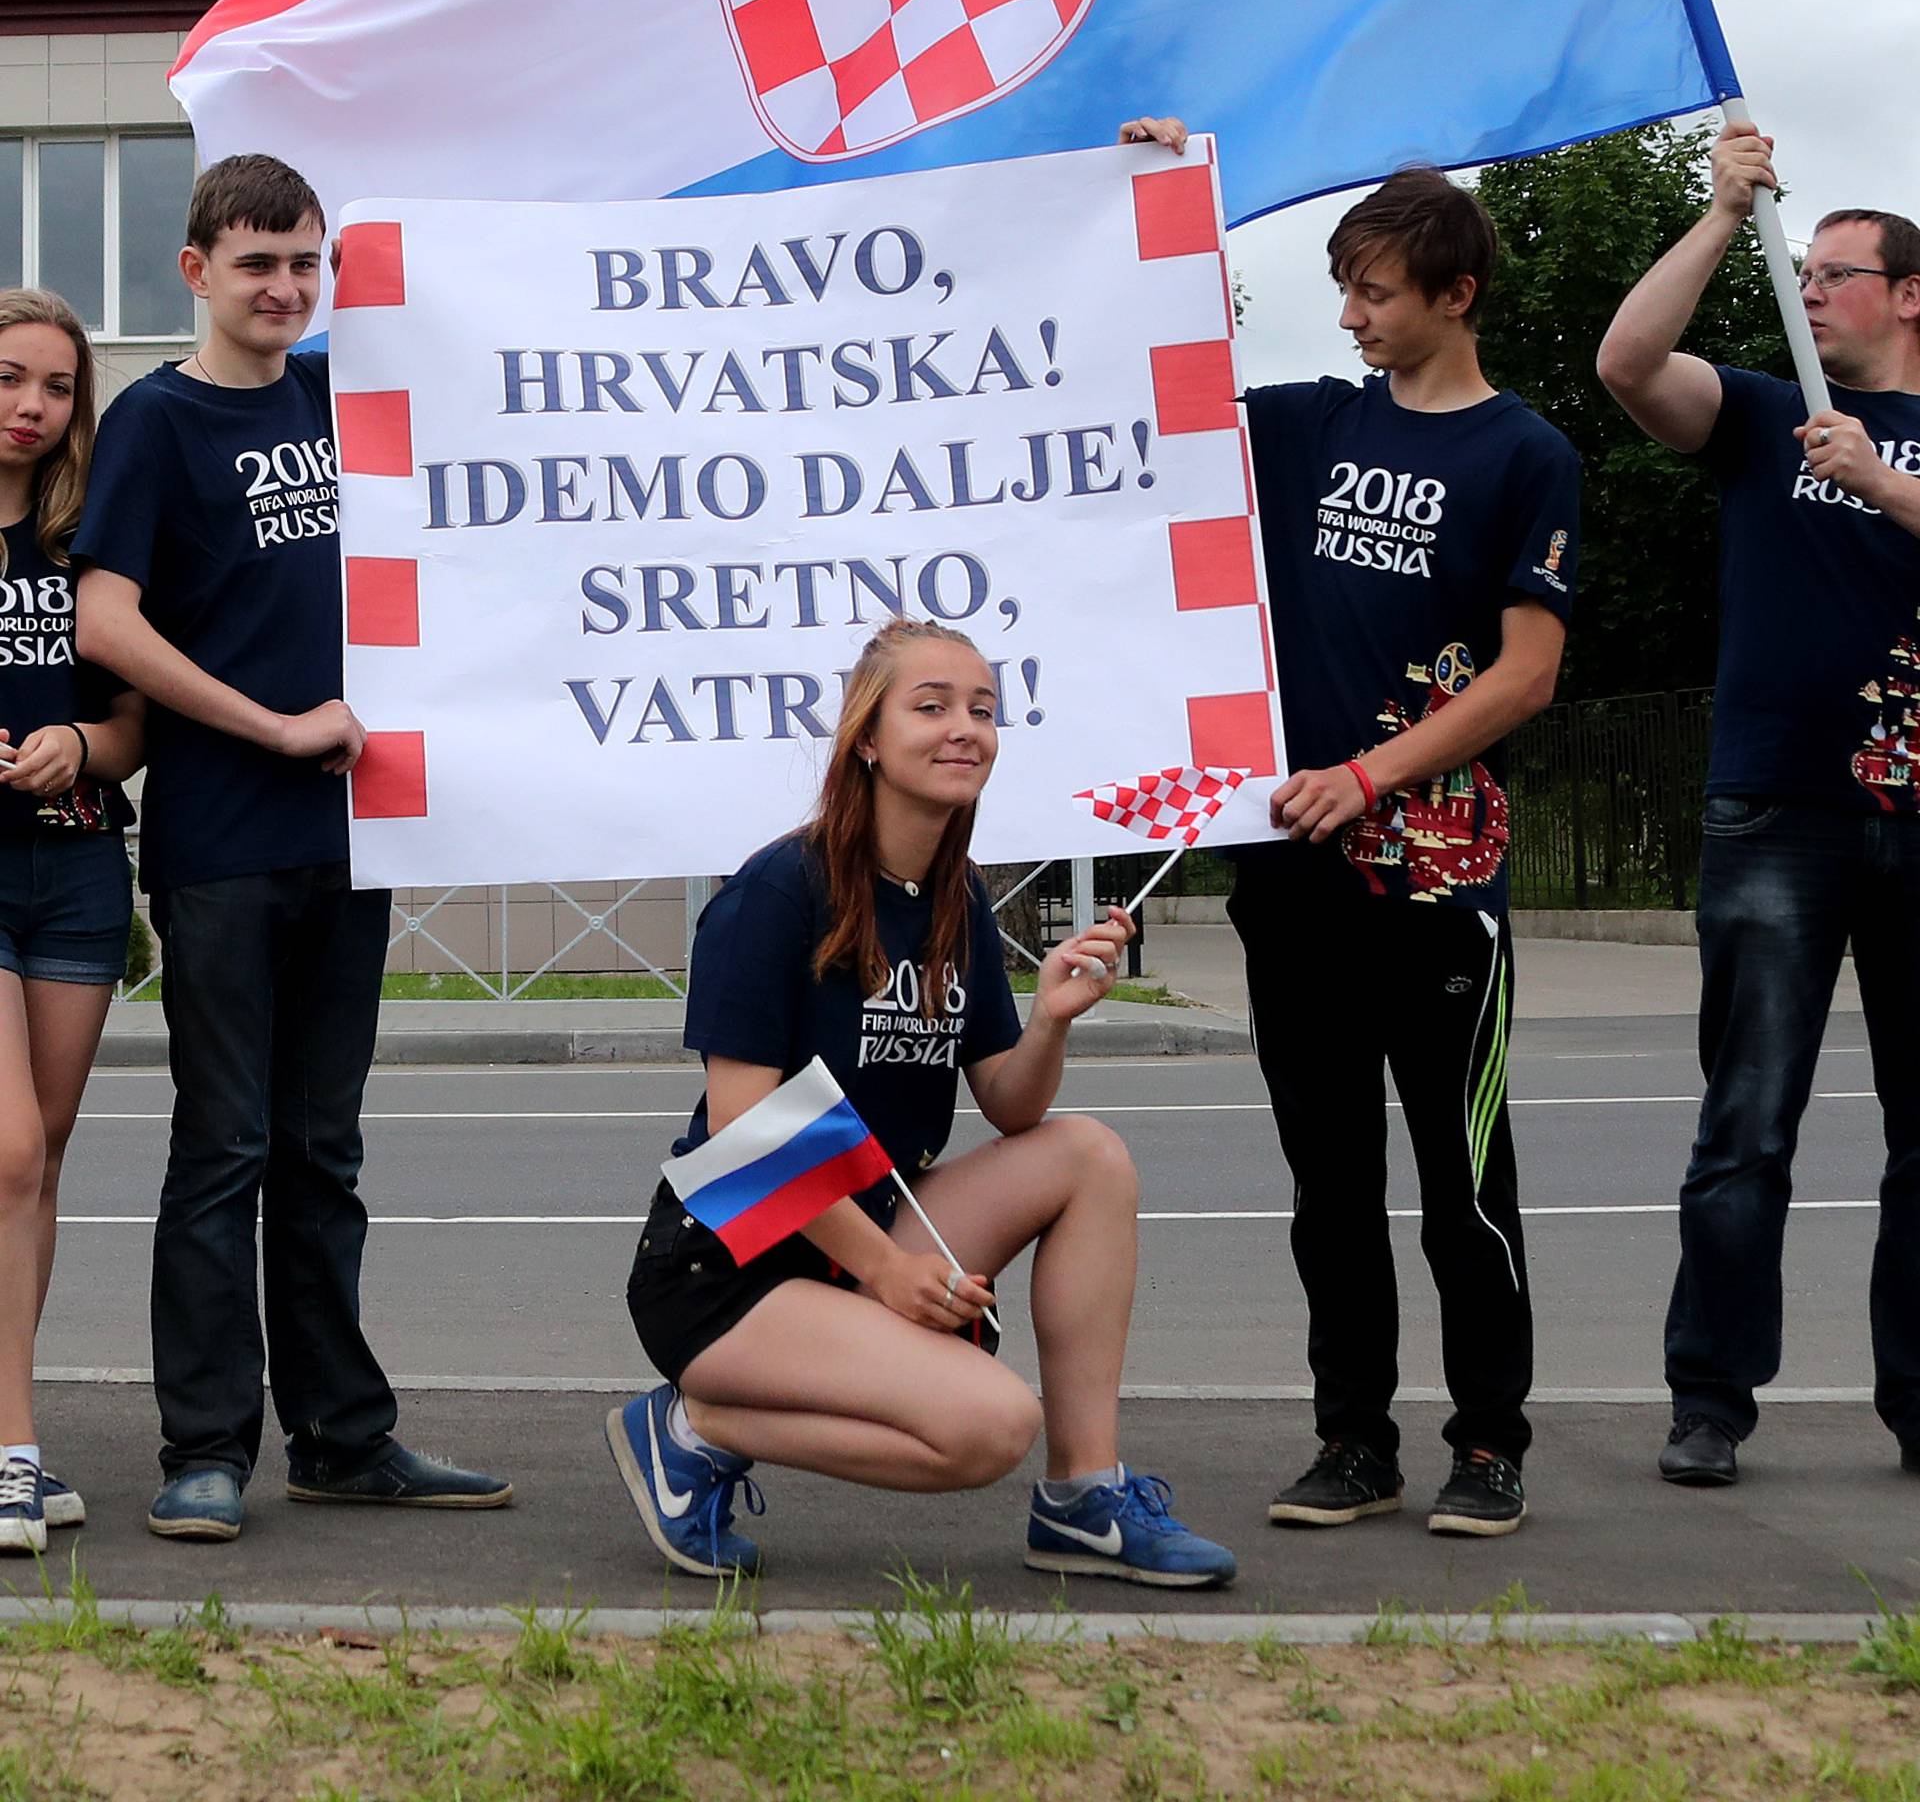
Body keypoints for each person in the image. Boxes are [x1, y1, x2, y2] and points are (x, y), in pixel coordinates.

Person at [1120, 121, 1579, 1540]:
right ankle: (1353, 1442)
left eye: (1376, 291)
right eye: (1346, 290)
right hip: (1292, 876)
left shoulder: (1526, 453)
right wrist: (1168, 202)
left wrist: (1374, 775)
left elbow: (1527, 672)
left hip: (1441, 883)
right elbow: (1180, 373)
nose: (1353, 316)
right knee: (1331, 1186)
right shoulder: (1316, 420)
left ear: (1455, 295)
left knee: (1464, 1185)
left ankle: (1489, 1448)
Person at [611, 614, 1237, 1588]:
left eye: (983, 710)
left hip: (870, 1221)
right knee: (989, 1429)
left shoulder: (956, 900)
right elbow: (741, 1129)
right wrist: (885, 1275)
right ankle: (691, 1426)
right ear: (867, 736)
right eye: (932, 705)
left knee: (1090, 1155)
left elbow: (1014, 1109)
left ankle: (1085, 1501)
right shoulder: (781, 887)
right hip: (730, 1264)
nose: (964, 728)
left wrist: (1052, 1020)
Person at [73, 153, 509, 1542]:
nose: (285, 288)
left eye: (306, 263)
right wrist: (269, 727)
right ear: (193, 270)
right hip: (221, 840)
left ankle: (343, 1436)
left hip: (349, 839)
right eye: (257, 261)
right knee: (227, 1147)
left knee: (326, 1150)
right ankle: (206, 1448)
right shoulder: (156, 422)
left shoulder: (341, 397)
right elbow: (106, 624)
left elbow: (521, 337)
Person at [1597, 118, 1920, 1486]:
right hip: (1776, 809)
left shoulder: (1864, 441)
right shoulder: (1769, 410)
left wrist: (1887, 487)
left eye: (1835, 270)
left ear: (1908, 295)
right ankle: (1710, 1400)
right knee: (1748, 1124)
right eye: (1805, 267)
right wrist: (1726, 216)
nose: (1812, 287)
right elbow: (1625, 366)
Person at [0, 293, 146, 1556]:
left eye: (53, 386)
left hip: (79, 873)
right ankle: (12, 1450)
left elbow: (132, 723)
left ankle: (8, 1424)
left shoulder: (83, 541)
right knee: (4, 1153)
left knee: (37, 1163)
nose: (29, 406)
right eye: (7, 378)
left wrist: (77, 745)